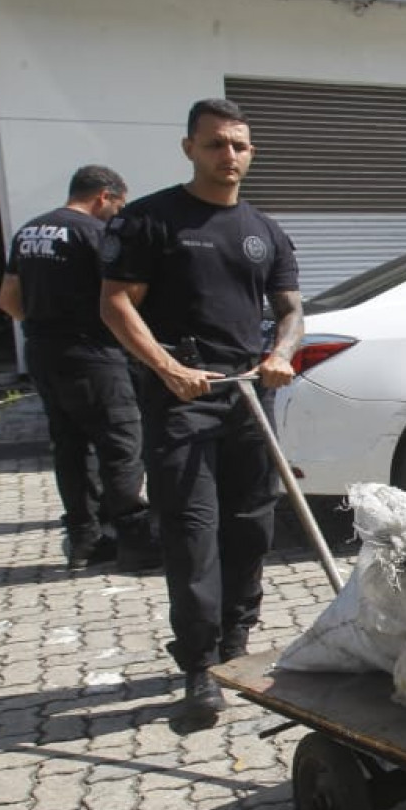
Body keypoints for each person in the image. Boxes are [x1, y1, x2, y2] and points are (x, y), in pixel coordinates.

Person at [100, 99, 303, 733]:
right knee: (191, 533)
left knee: (251, 525)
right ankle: (198, 663)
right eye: (216, 144)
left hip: (247, 393)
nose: (230, 156)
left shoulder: (265, 230)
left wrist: (281, 354)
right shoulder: (149, 221)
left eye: (240, 145)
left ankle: (238, 639)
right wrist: (167, 367)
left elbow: (291, 309)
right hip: (181, 398)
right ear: (189, 148)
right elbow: (114, 305)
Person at [0, 165, 160, 571]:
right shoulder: (95, 234)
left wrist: (46, 324)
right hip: (93, 354)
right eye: (117, 205)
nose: (117, 213)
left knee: (69, 446)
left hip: (43, 352)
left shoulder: (30, 232)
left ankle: (85, 540)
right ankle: (135, 540)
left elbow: (8, 300)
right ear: (104, 196)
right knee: (122, 444)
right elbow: (122, 298)